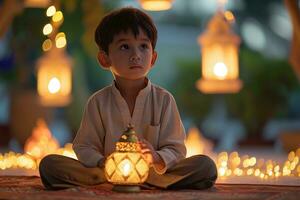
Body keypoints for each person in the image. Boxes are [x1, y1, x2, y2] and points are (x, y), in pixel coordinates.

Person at [39, 7, 217, 190]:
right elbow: (84, 146)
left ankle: (146, 179)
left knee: (205, 166)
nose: (136, 55)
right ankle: (125, 180)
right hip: (108, 171)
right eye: (125, 46)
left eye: (143, 46)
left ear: (153, 58)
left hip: (151, 171)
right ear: (104, 59)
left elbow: (176, 149)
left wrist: (155, 157)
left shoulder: (164, 100)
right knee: (49, 165)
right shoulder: (98, 102)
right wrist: (104, 162)